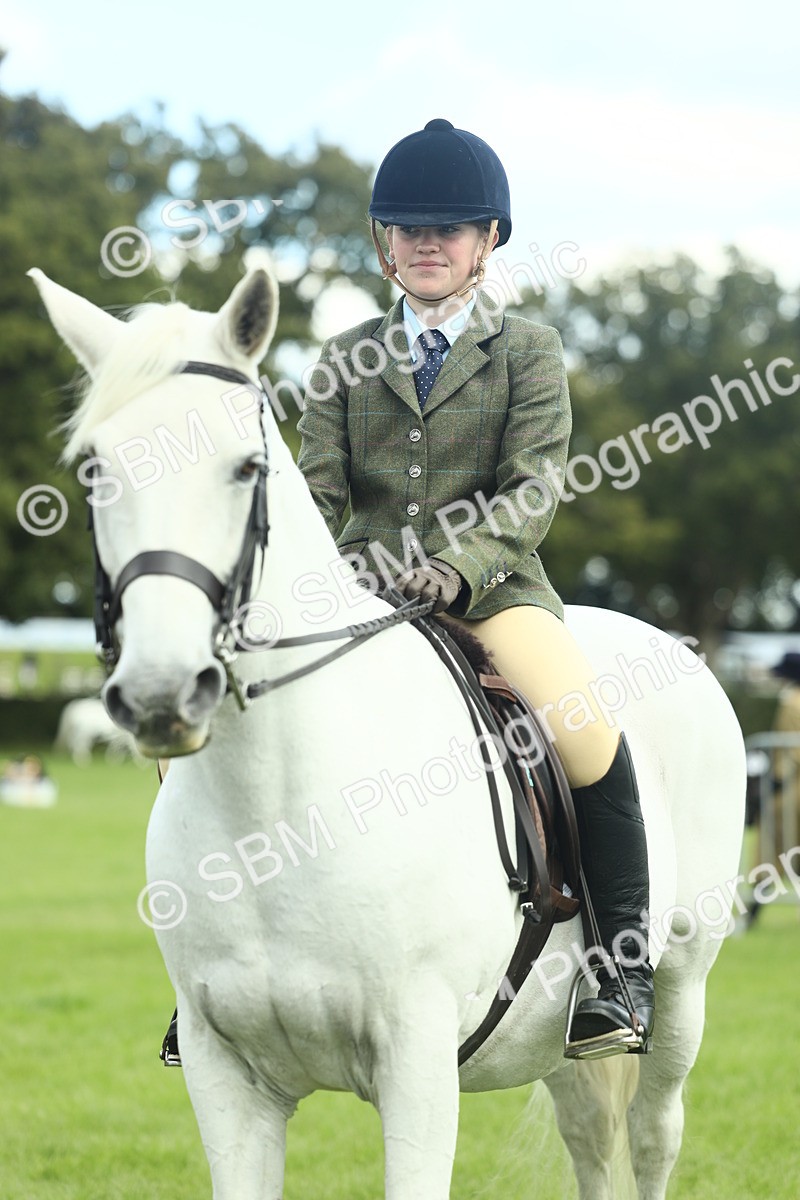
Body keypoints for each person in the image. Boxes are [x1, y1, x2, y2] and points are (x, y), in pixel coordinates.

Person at [295, 118, 654, 1059]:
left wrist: (456, 565)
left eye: (447, 228)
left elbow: (534, 487)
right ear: (383, 241)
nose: (426, 242)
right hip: (363, 600)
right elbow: (316, 497)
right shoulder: (341, 359)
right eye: (407, 226)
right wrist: (330, 581)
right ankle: (216, 977)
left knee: (587, 733)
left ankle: (619, 970)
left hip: (492, 591)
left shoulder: (528, 349)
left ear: (488, 240)